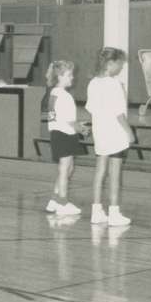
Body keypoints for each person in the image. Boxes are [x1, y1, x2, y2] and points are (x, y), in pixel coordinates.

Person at [87, 47, 135, 226]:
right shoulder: (113, 84)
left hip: (100, 132)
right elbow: (119, 114)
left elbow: (91, 109)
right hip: (116, 133)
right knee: (115, 174)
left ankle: (96, 211)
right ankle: (114, 212)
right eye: (120, 63)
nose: (121, 67)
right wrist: (129, 132)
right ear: (110, 64)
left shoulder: (93, 83)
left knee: (100, 171)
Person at [44, 60, 84, 217]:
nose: (72, 77)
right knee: (64, 168)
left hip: (58, 132)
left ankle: (54, 200)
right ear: (60, 76)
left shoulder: (54, 92)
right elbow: (70, 121)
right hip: (64, 134)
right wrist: (82, 128)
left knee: (68, 168)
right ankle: (62, 202)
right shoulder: (65, 96)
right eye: (69, 74)